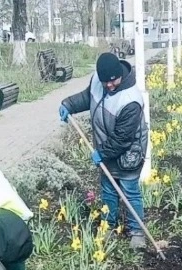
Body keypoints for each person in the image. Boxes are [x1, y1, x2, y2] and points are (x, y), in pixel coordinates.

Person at [58, 52, 149, 249]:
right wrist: (69, 105)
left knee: (129, 190)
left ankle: (137, 232)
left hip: (128, 151)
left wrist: (102, 153)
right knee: (108, 189)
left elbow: (122, 139)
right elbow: (87, 97)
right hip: (106, 146)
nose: (109, 85)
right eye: (105, 81)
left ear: (120, 75)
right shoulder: (98, 82)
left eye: (113, 81)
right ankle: (109, 226)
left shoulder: (130, 100)